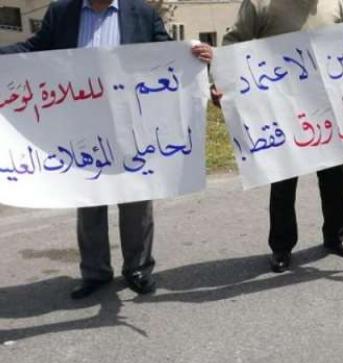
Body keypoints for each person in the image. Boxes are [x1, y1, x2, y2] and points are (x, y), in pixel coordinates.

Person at [0, 0, 213, 299]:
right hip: (81, 122)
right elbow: (35, 48)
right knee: (89, 199)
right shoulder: (62, 12)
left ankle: (138, 269)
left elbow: (166, 53)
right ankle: (95, 272)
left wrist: (196, 55)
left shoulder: (141, 13)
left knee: (137, 197)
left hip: (131, 121)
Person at [215, 0, 343, 273]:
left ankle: (336, 236)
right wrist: (221, 82)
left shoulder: (334, 3)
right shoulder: (260, 4)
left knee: (336, 177)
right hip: (282, 107)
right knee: (283, 182)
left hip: (329, 105)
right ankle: (281, 247)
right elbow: (232, 42)